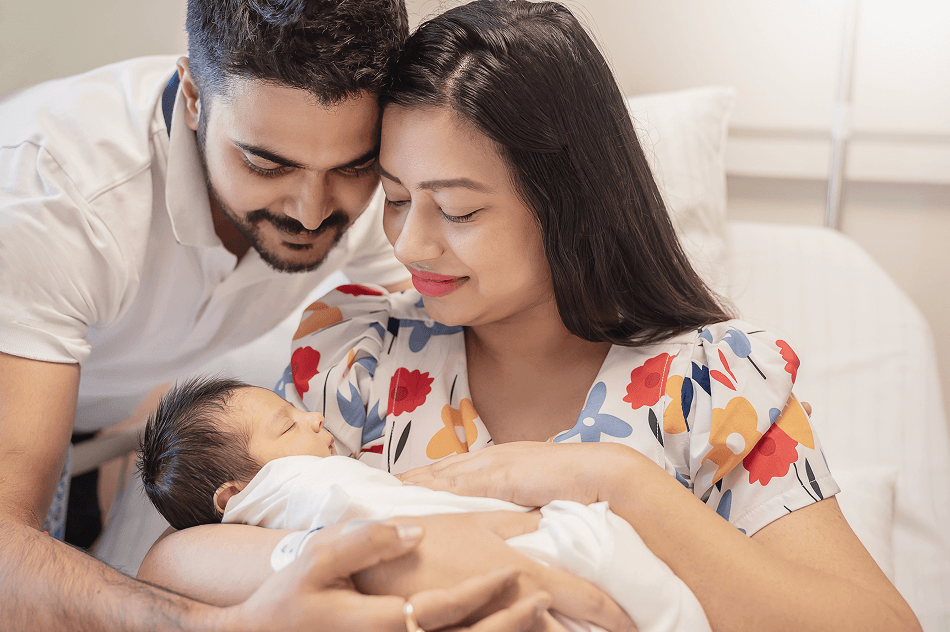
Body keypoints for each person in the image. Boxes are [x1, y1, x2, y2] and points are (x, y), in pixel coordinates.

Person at [141, 1, 923, 631]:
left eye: (455, 208)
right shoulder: (355, 357)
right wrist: (465, 558)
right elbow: (175, 567)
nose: (409, 242)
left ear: (565, 207)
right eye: (399, 198)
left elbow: (876, 623)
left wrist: (610, 479)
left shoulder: (716, 387)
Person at [0, 0, 615, 629]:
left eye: (354, 167)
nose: (313, 210)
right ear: (191, 95)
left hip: (103, 414)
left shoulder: (381, 206)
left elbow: (472, 308)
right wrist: (218, 625)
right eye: (267, 164)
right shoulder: (53, 199)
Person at [137, 376, 710, 632]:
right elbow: (165, 565)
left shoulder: (711, 380)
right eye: (287, 426)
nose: (314, 416)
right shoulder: (294, 487)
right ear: (236, 497)